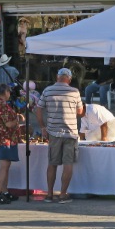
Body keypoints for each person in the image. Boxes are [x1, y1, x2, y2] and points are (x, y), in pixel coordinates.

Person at [35, 67, 83, 204]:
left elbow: (39, 110)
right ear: (69, 78)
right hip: (70, 133)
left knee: (52, 163)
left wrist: (42, 126)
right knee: (68, 163)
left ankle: (49, 194)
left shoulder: (47, 90)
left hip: (53, 132)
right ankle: (62, 194)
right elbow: (80, 111)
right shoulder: (75, 92)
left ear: (57, 77)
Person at [0, 83, 23, 205]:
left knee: (5, 166)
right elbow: (8, 124)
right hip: (5, 139)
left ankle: (4, 191)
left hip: (1, 138)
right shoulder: (2, 105)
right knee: (4, 167)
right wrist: (18, 119)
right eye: (9, 91)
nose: (10, 94)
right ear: (5, 93)